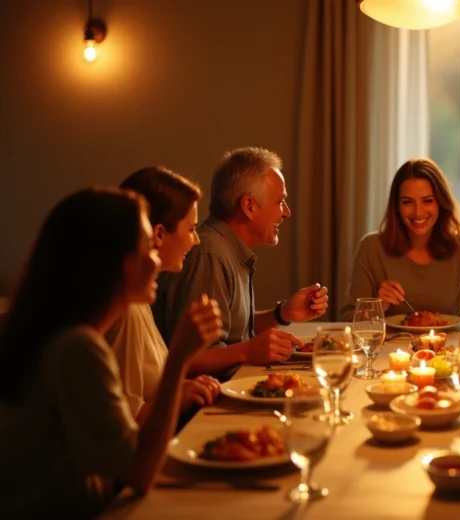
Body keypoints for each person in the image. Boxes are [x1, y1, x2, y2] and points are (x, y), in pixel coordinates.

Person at [0, 188, 221, 516]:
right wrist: (179, 358)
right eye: (148, 246)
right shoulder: (78, 348)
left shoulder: (59, 333)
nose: (156, 257)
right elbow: (139, 472)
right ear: (121, 263)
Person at [153, 147, 329, 379]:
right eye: (280, 201)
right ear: (248, 206)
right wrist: (247, 351)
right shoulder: (209, 255)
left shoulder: (227, 249)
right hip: (207, 407)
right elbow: (185, 358)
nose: (286, 213)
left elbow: (233, 330)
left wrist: (282, 313)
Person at [106, 166, 221, 424]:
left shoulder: (140, 295)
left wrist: (183, 387)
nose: (196, 240)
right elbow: (125, 422)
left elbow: (148, 389)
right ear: (158, 234)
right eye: (191, 229)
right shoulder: (126, 308)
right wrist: (177, 392)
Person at [339, 158, 460, 320]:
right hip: (389, 344)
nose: (418, 213)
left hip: (449, 344)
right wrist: (377, 307)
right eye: (407, 202)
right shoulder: (371, 247)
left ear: (440, 203)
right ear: (397, 207)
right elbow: (347, 317)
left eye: (427, 201)